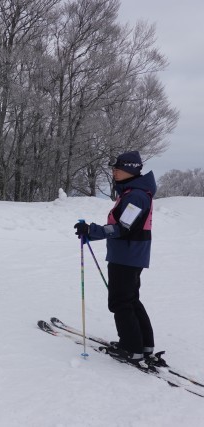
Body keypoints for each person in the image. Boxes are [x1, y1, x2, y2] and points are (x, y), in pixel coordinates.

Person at [74, 151, 157, 368]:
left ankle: (131, 348)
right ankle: (143, 345)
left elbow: (122, 228)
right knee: (130, 299)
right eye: (113, 168)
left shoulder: (136, 196)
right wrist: (91, 233)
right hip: (129, 254)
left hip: (127, 255)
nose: (114, 172)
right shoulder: (133, 192)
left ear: (130, 169)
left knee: (120, 301)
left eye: (117, 168)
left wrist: (91, 230)